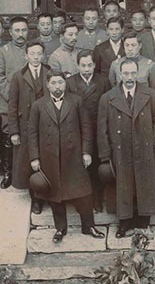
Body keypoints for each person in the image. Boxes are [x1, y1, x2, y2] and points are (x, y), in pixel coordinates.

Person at [28, 70, 105, 243]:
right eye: (53, 83)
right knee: (55, 194)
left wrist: (86, 152)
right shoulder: (38, 105)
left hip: (74, 156)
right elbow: (32, 133)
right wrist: (34, 157)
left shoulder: (76, 101)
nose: (57, 86)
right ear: (47, 85)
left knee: (84, 192)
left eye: (60, 82)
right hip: (49, 157)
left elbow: (86, 128)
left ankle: (89, 226)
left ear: (65, 84)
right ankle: (60, 228)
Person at [98, 59, 155, 237]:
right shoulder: (108, 98)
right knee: (123, 185)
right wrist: (105, 155)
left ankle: (144, 222)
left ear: (138, 74)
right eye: (125, 73)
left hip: (144, 148)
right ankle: (124, 223)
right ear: (119, 74)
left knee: (145, 184)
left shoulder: (150, 94)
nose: (129, 77)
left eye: (133, 73)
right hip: (120, 149)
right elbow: (102, 129)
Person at [66, 50, 111, 212]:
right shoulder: (70, 82)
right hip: (76, 131)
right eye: (83, 65)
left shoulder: (103, 81)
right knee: (78, 167)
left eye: (89, 65)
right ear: (77, 65)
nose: (86, 69)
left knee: (96, 167)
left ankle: (97, 199)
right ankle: (81, 200)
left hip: (97, 131)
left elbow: (108, 108)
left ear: (94, 65)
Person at [8, 41, 49, 214]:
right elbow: (12, 105)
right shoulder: (18, 76)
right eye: (32, 53)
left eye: (39, 53)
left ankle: (46, 194)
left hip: (46, 125)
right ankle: (35, 199)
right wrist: (14, 131)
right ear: (26, 56)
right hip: (25, 126)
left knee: (46, 160)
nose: (36, 57)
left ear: (43, 55)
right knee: (29, 161)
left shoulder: (49, 73)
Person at [0, 16, 29, 189]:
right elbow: (0, 77)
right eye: (16, 30)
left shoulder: (33, 50)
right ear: (10, 32)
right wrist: (13, 97)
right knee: (9, 136)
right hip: (8, 102)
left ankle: (26, 172)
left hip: (30, 102)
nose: (20, 34)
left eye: (23, 30)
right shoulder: (3, 51)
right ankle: (8, 172)